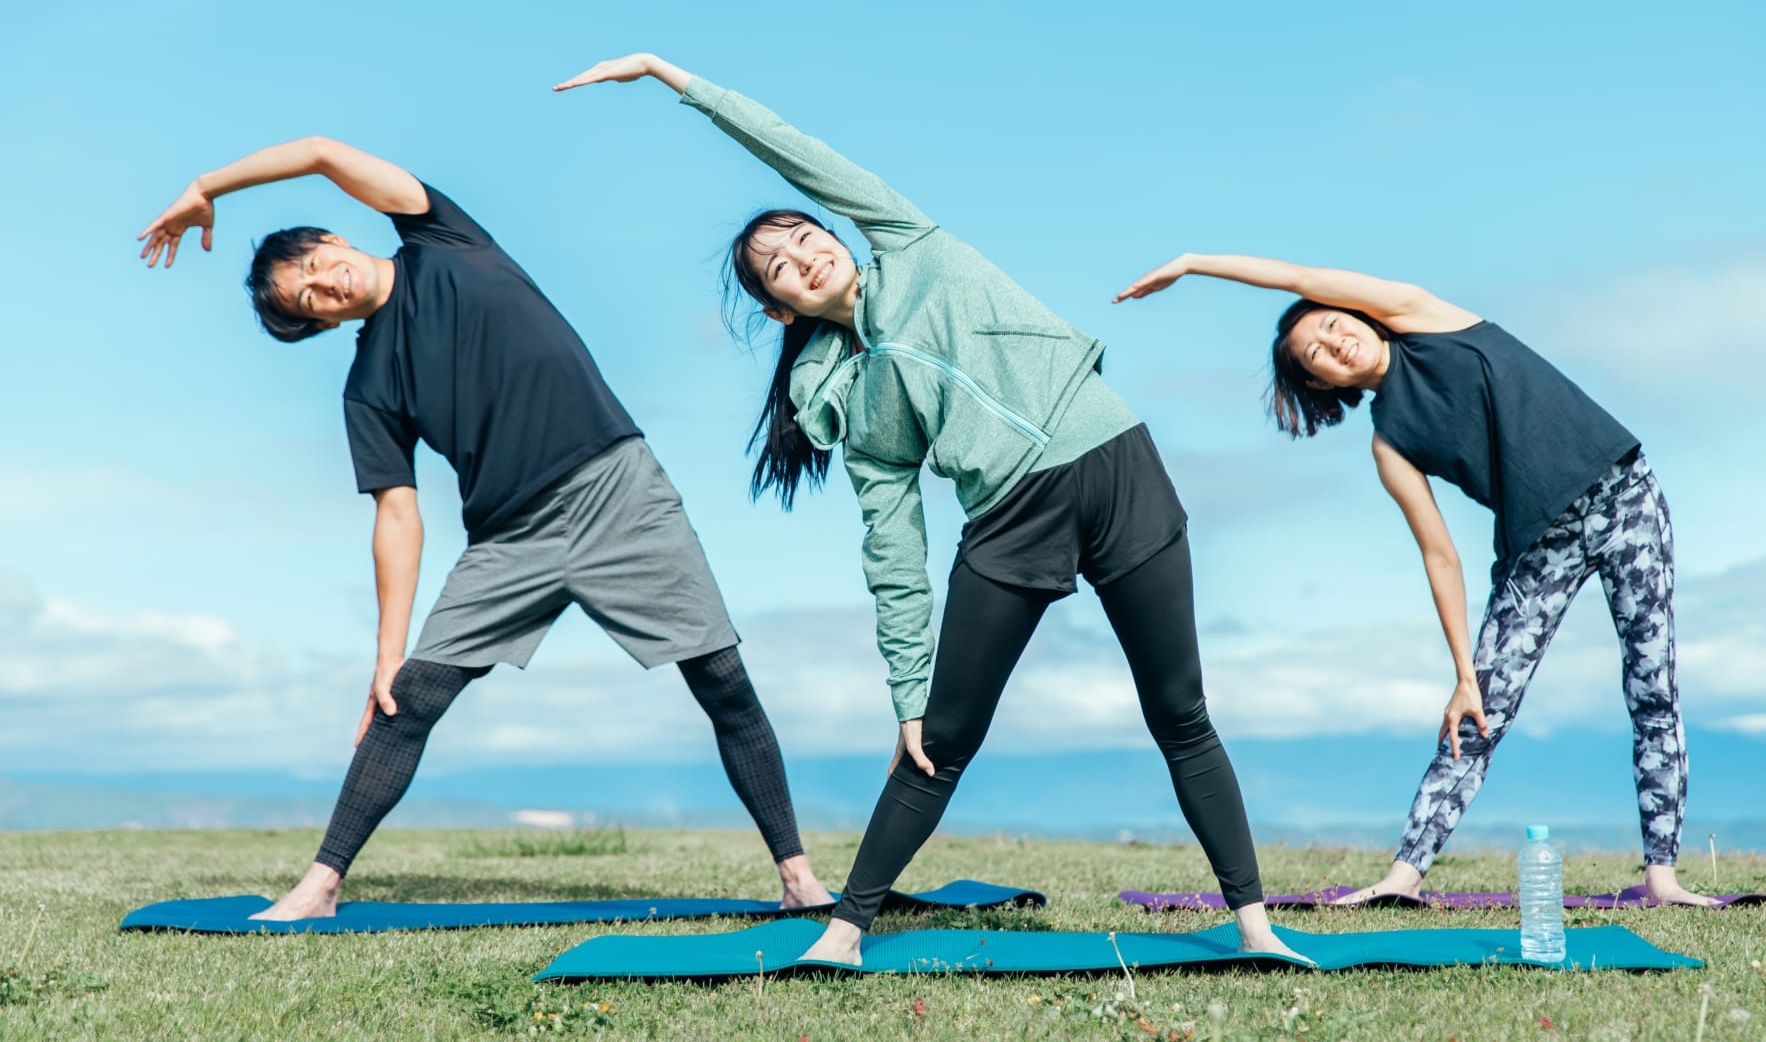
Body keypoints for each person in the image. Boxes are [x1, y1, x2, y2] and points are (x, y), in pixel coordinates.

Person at [554, 52, 1311, 964]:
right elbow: (893, 548)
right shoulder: (848, 403)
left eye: (806, 238)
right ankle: (842, 933)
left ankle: (1256, 928)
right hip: (1011, 517)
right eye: (780, 270)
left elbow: (794, 151)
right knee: (938, 738)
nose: (804, 258)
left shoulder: (913, 245)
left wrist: (670, 77)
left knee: (1180, 712)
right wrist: (907, 693)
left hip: (1118, 463)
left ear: (837, 232)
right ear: (781, 309)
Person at [136, 139, 832, 918]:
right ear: (320, 324)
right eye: (307, 301)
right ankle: (321, 885)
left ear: (334, 240)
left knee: (721, 679)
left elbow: (322, 154)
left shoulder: (441, 238)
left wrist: (205, 186)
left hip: (618, 491)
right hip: (509, 540)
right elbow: (397, 513)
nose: (322, 286)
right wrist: (387, 654)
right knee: (407, 699)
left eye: (312, 266)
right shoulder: (369, 387)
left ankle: (799, 880)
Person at [1114, 253, 1713, 906]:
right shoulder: (1390, 444)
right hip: (1540, 545)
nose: (1334, 343)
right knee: (1478, 711)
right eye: (1316, 354)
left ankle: (1662, 877)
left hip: (1626, 497)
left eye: (1332, 324)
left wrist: (1194, 264)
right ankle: (1404, 876)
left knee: (1653, 687)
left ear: (1354, 311)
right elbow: (1440, 556)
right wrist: (1463, 674)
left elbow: (1297, 280)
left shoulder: (1424, 317)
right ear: (1318, 382)